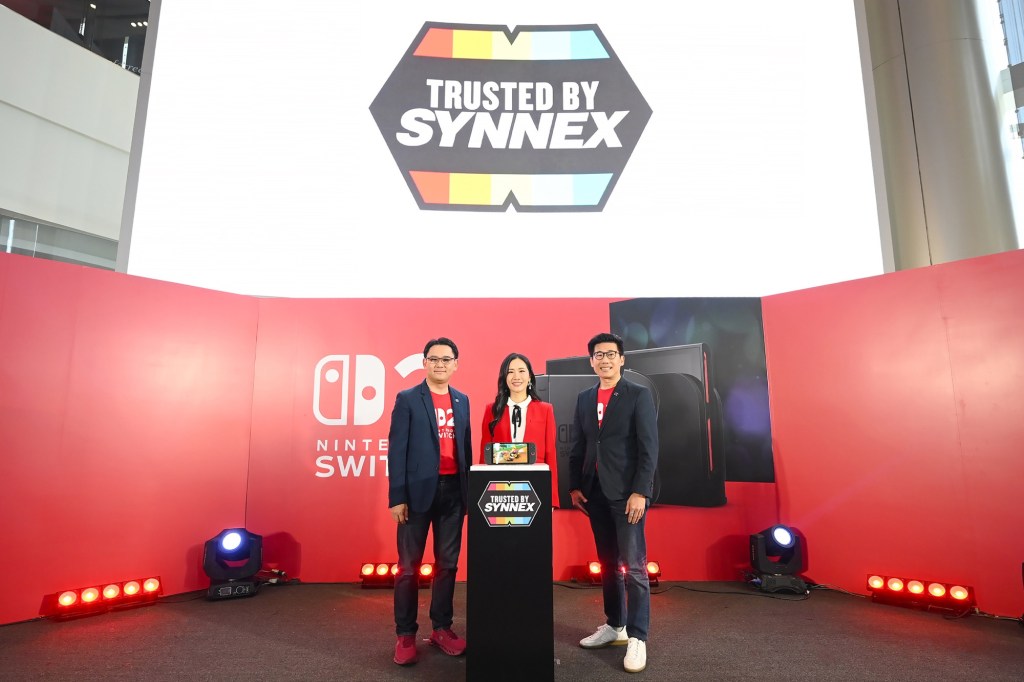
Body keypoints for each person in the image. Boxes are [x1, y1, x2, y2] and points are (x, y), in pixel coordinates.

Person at [568, 332, 658, 674]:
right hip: (595, 493)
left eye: (610, 354)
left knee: (634, 568)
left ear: (621, 359)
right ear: (591, 361)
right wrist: (574, 486)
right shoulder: (584, 397)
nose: (604, 359)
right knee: (608, 564)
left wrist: (641, 491)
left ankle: (638, 636)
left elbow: (649, 447)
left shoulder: (638, 394)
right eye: (598, 355)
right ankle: (615, 625)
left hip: (627, 494)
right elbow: (579, 445)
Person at [387, 337, 472, 666]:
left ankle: (441, 628)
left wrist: (468, 494)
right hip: (416, 493)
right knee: (408, 568)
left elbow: (466, 449)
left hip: (454, 493)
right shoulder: (408, 399)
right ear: (424, 363)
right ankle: (405, 634)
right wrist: (397, 497)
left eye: (446, 359)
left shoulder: (462, 400)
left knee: (447, 565)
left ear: (456, 365)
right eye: (434, 359)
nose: (440, 364)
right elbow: (397, 451)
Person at [478, 352, 558, 502]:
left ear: (530, 377)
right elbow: (485, 455)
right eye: (510, 372)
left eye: (521, 371)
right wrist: (482, 492)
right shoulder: (491, 410)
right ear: (504, 377)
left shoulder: (545, 410)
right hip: (500, 490)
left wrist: (552, 499)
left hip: (535, 487)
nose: (516, 376)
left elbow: (550, 455)